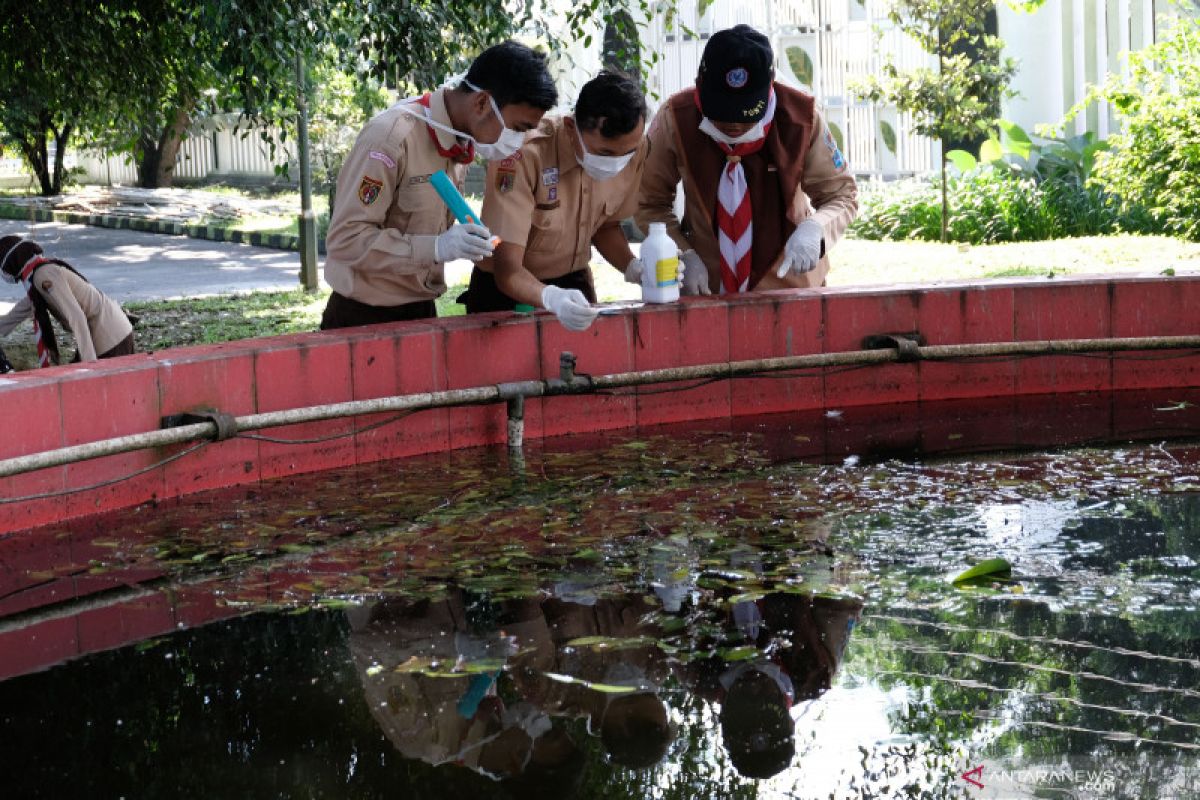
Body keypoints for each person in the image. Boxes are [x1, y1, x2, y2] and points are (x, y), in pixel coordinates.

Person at [320, 40, 557, 330]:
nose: (517, 141)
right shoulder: (391, 138)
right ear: (482, 102)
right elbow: (346, 240)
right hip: (363, 316)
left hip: (421, 310)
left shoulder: (460, 140)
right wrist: (435, 247)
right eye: (517, 129)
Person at [636, 24, 858, 296]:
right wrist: (682, 254)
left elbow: (842, 194)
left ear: (770, 87)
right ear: (700, 85)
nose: (733, 124)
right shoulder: (675, 119)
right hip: (706, 286)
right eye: (721, 110)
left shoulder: (802, 118)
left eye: (746, 112)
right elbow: (648, 201)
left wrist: (816, 229)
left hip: (790, 286)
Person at [465, 71, 650, 332]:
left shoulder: (637, 147)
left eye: (627, 153)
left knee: (582, 369)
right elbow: (507, 271)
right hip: (507, 290)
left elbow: (606, 226)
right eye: (605, 153)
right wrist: (552, 299)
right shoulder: (524, 154)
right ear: (572, 128)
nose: (616, 163)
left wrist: (634, 268)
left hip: (574, 283)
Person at [0, 235, 135, 365]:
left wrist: (89, 364)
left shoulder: (44, 275)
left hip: (110, 336)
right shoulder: (37, 280)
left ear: (10, 261)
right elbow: (17, 314)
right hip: (107, 333)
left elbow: (76, 316)